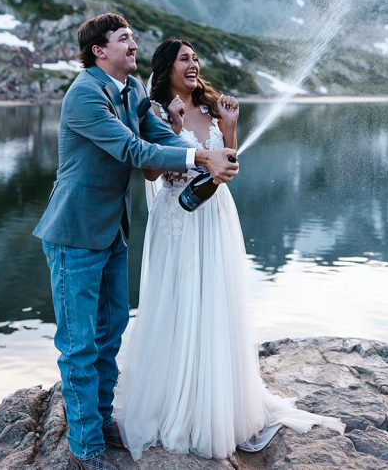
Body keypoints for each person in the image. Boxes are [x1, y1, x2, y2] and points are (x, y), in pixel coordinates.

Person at [113, 38, 344, 461]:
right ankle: (177, 401)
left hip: (216, 214)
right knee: (180, 301)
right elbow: (149, 172)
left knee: (216, 300)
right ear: (166, 68)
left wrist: (231, 124)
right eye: (185, 59)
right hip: (179, 216)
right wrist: (175, 128)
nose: (194, 64)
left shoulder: (210, 108)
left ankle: (219, 401)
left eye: (196, 58)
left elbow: (229, 161)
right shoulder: (156, 111)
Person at [32, 15, 239, 470]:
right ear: (99, 50)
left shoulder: (133, 91)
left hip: (111, 231)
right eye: (124, 38)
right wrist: (201, 155)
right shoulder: (85, 94)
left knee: (110, 335)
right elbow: (132, 150)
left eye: (133, 37)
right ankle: (85, 445)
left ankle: (102, 419)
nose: (134, 44)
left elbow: (159, 135)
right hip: (74, 234)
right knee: (80, 345)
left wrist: (204, 157)